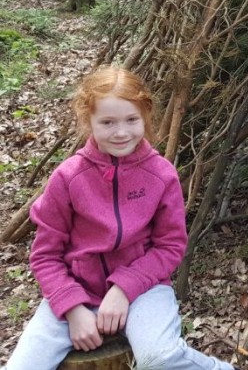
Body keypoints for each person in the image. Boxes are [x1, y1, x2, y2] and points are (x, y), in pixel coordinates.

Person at [2, 67, 235, 370]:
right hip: (75, 289)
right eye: (108, 122)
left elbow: (170, 246)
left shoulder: (161, 175)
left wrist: (125, 288)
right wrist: (72, 308)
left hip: (144, 290)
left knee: (160, 357)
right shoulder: (67, 178)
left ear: (145, 117)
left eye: (131, 120)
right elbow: (45, 255)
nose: (122, 132)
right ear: (89, 122)